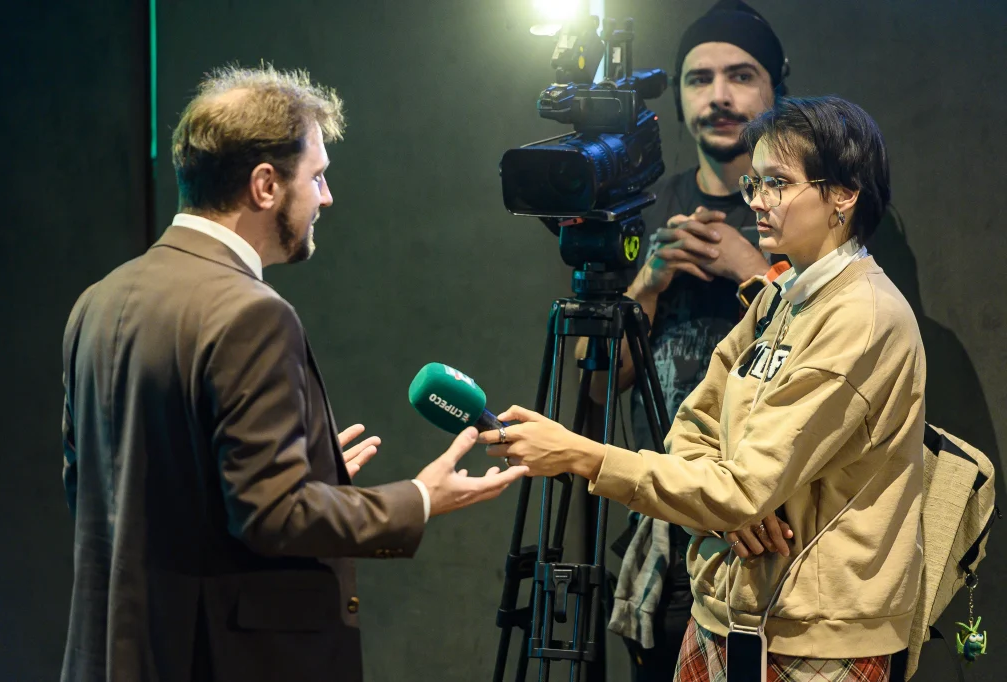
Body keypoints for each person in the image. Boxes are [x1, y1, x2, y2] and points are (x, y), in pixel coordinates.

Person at [59, 64, 527, 682]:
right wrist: (418, 499)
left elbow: (97, 487)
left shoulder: (98, 300)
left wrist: (306, 479)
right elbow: (271, 516)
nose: (326, 197)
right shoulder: (252, 312)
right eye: (317, 176)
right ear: (265, 185)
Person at [486, 95, 924, 682]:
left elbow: (742, 488)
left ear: (844, 194)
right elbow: (694, 423)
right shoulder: (781, 298)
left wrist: (580, 455)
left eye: (778, 183)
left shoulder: (862, 317)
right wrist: (725, 510)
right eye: (755, 183)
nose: (758, 201)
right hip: (726, 610)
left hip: (815, 640)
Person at [575, 1, 793, 676]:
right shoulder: (641, 215)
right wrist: (647, 284)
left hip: (781, 533)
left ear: (776, 90)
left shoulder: (805, 209)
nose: (718, 96)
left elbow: (852, 348)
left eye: (740, 75)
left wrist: (755, 271)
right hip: (668, 537)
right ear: (677, 98)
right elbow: (594, 382)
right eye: (699, 79)